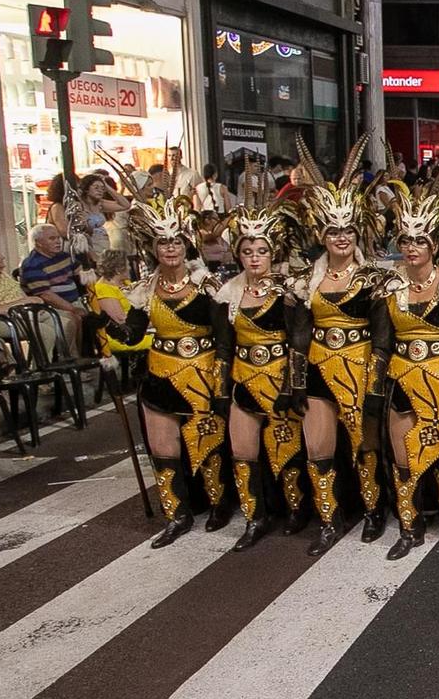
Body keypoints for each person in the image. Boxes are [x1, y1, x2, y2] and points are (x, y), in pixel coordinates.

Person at [110, 178, 231, 547]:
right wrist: (110, 325)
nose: (169, 248)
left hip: (203, 374)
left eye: (175, 241)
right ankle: (176, 515)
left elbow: (225, 337)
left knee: (206, 443)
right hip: (160, 374)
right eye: (163, 242)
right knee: (164, 449)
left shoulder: (207, 286)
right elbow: (132, 333)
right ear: (154, 248)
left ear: (186, 244)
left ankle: (218, 506)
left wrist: (223, 380)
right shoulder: (145, 289)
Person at [285, 147, 384, 556]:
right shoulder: (306, 280)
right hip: (320, 370)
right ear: (321, 236)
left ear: (357, 234)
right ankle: (328, 518)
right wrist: (295, 383)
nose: (341, 237)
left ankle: (374, 511)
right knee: (319, 447)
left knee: (365, 444)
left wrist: (376, 384)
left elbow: (382, 337)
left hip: (360, 367)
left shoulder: (373, 277)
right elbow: (299, 336)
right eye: (332, 231)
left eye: (347, 231)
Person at [368, 178, 439, 559]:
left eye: (421, 242)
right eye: (406, 241)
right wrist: (374, 393)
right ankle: (409, 526)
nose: (412, 248)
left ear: (435, 247)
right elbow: (381, 346)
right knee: (403, 458)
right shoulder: (387, 289)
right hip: (401, 381)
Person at [213, 188, 302, 552]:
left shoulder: (289, 290)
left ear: (272, 253)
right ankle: (254, 518)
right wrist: (220, 391)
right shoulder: (227, 294)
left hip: (280, 378)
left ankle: (296, 512)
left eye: (261, 251)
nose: (255, 258)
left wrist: (292, 385)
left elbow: (299, 341)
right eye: (247, 251)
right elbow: (223, 346)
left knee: (288, 451)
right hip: (243, 380)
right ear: (238, 254)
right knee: (243, 453)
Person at [19, 224, 88, 347]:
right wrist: (72, 309)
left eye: (58, 238)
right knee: (75, 318)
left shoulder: (64, 256)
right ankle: (74, 356)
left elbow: (83, 274)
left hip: (75, 300)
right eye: (52, 239)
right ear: (38, 243)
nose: (58, 242)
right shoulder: (32, 264)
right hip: (51, 307)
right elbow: (46, 295)